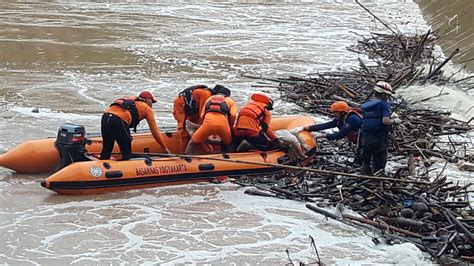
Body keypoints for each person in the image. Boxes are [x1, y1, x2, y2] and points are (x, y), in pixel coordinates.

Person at [100, 91, 171, 160]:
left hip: (105, 117)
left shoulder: (131, 100)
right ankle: (127, 168)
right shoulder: (147, 108)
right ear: (148, 100)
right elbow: (155, 131)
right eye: (152, 102)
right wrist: (165, 148)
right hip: (119, 119)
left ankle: (102, 165)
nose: (152, 104)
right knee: (126, 150)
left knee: (107, 147)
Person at [359, 81, 401, 175]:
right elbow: (385, 121)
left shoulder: (367, 104)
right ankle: (377, 181)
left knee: (366, 161)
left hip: (366, 136)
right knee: (379, 161)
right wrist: (394, 121)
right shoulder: (384, 104)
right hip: (379, 137)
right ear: (385, 94)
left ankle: (365, 178)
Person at [184, 85, 237, 154]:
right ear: (227, 95)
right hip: (223, 126)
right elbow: (233, 115)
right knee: (229, 145)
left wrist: (202, 126)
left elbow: (202, 115)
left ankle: (185, 158)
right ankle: (232, 159)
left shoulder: (209, 99)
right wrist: (230, 126)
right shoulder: (231, 102)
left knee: (192, 143)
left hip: (207, 125)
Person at [292, 101, 362, 144]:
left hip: (365, 139)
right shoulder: (341, 118)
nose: (334, 114)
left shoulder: (352, 119)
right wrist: (306, 128)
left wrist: (324, 135)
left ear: (342, 112)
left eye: (335, 112)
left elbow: (340, 135)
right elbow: (326, 125)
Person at [172, 84, 215, 152]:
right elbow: (202, 115)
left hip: (192, 112)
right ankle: (182, 155)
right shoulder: (206, 94)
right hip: (180, 108)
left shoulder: (208, 95)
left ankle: (202, 151)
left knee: (197, 131)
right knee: (184, 133)